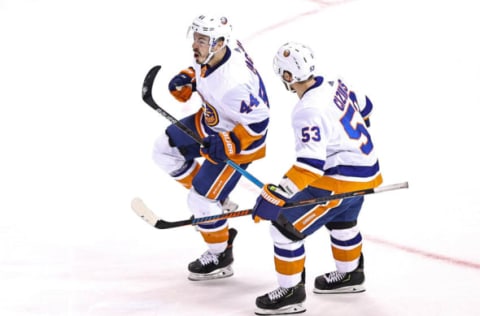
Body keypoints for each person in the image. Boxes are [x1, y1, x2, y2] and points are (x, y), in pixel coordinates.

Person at [251, 42, 383, 315]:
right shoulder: (336, 83)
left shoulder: (307, 110)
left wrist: (277, 194)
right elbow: (366, 108)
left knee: (283, 229)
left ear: (287, 77)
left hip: (339, 181)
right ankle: (350, 276)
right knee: (343, 222)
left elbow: (310, 166)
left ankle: (290, 294)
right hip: (367, 170)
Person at [152, 14, 270, 281]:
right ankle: (217, 202)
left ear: (218, 43)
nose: (196, 44)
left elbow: (259, 123)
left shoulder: (233, 85)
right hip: (212, 120)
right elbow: (205, 70)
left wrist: (228, 143)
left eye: (203, 40)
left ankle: (220, 255)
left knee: (199, 201)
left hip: (240, 140)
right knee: (163, 149)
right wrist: (189, 78)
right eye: (195, 37)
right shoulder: (218, 50)